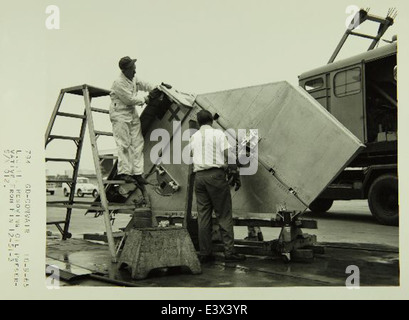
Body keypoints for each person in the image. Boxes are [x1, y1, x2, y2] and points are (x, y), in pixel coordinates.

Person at [189, 110, 245, 263]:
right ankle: (229, 252)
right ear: (211, 121)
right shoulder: (218, 134)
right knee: (224, 214)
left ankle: (205, 253)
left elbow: (194, 156)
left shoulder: (193, 137)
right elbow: (229, 155)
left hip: (199, 178)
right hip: (216, 176)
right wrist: (235, 172)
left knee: (203, 216)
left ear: (199, 122)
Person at [109, 56, 155, 185]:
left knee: (137, 142)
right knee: (124, 144)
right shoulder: (119, 83)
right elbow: (129, 100)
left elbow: (145, 85)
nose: (135, 71)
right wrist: (146, 99)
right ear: (125, 70)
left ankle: (137, 173)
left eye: (134, 68)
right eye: (132, 69)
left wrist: (157, 88)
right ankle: (125, 172)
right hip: (120, 114)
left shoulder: (133, 78)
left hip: (131, 113)